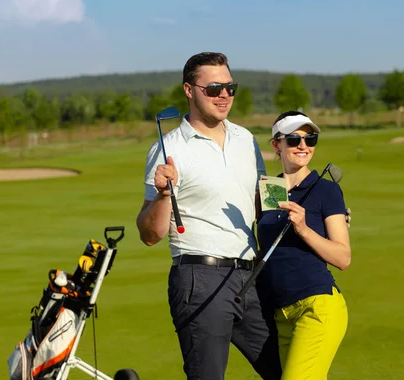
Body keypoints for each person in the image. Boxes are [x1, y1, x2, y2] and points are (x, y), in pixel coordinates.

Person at [136, 52, 281, 380]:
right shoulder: (169, 148)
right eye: (214, 88)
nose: (225, 95)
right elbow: (149, 234)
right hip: (201, 276)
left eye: (231, 88)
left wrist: (311, 211)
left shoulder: (246, 139)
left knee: (288, 370)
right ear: (190, 90)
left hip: (252, 275)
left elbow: (263, 204)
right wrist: (162, 195)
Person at [256, 110, 351, 380]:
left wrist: (304, 228)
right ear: (277, 144)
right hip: (280, 314)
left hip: (317, 306)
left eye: (310, 140)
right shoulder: (268, 189)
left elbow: (343, 257)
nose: (303, 146)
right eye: (294, 139)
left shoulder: (326, 190)